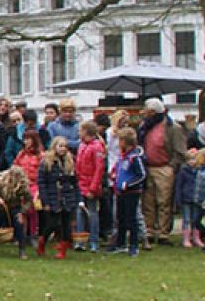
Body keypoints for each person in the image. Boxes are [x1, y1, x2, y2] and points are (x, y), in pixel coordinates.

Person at [139, 98, 187, 247]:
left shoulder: (173, 128)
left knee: (164, 202)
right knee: (148, 200)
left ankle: (163, 232)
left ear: (153, 112)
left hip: (164, 167)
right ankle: (149, 230)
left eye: (146, 110)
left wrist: (172, 167)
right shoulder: (144, 126)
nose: (144, 113)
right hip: (148, 166)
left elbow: (180, 150)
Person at [35, 136, 79, 260]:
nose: (63, 149)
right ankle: (42, 241)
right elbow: (42, 182)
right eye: (60, 146)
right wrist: (45, 200)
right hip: (52, 196)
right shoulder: (46, 162)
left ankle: (62, 249)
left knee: (66, 225)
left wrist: (75, 197)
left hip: (67, 197)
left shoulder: (70, 161)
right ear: (54, 147)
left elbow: (74, 182)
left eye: (65, 146)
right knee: (52, 223)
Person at [110, 126, 146, 257]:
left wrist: (128, 184)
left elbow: (141, 175)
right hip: (120, 192)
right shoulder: (122, 157)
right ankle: (120, 244)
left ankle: (134, 245)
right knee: (121, 219)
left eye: (120, 140)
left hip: (131, 193)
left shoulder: (134, 157)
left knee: (132, 219)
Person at [76, 120, 106, 252]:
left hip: (90, 185)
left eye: (80, 130)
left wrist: (93, 188)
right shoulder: (81, 145)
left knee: (92, 213)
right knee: (79, 212)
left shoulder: (97, 147)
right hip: (80, 184)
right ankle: (80, 240)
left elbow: (99, 169)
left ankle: (94, 241)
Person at [174, 148, 204, 249]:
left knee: (196, 219)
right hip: (185, 199)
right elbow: (178, 186)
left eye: (194, 159)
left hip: (197, 198)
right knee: (186, 219)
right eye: (190, 159)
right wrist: (178, 199)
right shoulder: (183, 172)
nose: (192, 162)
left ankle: (196, 238)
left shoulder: (200, 171)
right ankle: (186, 238)